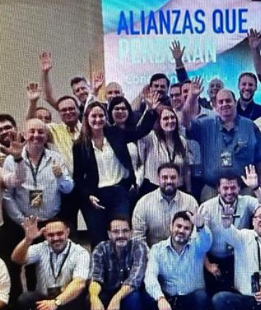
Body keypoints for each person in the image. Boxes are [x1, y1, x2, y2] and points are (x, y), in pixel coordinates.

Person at [73, 98, 156, 246]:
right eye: (94, 116)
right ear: (86, 118)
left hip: (119, 193)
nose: (98, 119)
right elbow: (78, 177)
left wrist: (150, 110)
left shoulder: (116, 134)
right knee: (99, 240)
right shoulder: (80, 145)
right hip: (95, 197)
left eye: (101, 115)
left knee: (121, 235)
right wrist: (88, 195)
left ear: (106, 117)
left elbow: (141, 131)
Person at [181, 79, 261, 198]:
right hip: (212, 190)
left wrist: (260, 187)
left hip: (244, 190)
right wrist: (192, 97)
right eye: (221, 102)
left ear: (235, 102)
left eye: (228, 101)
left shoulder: (249, 126)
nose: (224, 104)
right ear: (216, 106)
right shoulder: (205, 125)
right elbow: (185, 121)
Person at [11, 218, 90, 310]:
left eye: (59, 233)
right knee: (26, 299)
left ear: (67, 232)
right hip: (45, 302)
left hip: (67, 302)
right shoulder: (41, 247)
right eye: (51, 235)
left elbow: (79, 283)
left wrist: (56, 302)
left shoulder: (80, 252)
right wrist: (28, 240)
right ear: (45, 235)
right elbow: (17, 259)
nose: (55, 238)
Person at [197, 169, 261, 293]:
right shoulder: (207, 208)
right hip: (214, 259)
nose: (229, 192)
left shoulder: (247, 201)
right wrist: (208, 264)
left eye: (233, 188)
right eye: (225, 188)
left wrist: (256, 188)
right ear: (218, 188)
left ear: (239, 188)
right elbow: (199, 240)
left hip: (240, 257)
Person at [143, 211, 212, 310]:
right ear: (171, 226)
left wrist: (201, 227)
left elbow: (207, 242)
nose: (181, 231)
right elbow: (150, 276)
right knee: (149, 297)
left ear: (191, 232)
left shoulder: (198, 246)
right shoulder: (157, 249)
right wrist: (160, 298)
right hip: (168, 301)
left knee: (201, 297)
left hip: (191, 302)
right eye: (178, 226)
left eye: (186, 228)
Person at [3, 118, 74, 227]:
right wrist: (21, 220)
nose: (36, 135)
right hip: (23, 223)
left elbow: (68, 189)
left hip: (52, 221)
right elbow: (7, 195)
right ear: (24, 135)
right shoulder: (11, 160)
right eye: (32, 131)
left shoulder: (56, 158)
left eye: (41, 132)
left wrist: (60, 177)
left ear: (46, 137)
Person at [88, 217, 147, 310]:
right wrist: (94, 298)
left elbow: (134, 280)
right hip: (107, 291)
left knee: (134, 298)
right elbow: (95, 278)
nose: (121, 235)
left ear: (131, 233)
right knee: (92, 299)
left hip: (129, 293)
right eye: (116, 231)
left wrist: (117, 298)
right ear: (109, 234)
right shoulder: (100, 248)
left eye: (125, 231)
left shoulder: (138, 247)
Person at [131, 163, 198, 248]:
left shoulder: (190, 202)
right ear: (158, 179)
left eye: (173, 177)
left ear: (179, 179)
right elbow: (138, 238)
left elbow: (196, 234)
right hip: (152, 253)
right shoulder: (143, 203)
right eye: (165, 177)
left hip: (183, 252)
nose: (169, 181)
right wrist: (150, 254)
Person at [137, 105, 191, 194]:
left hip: (178, 189)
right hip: (153, 188)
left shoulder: (182, 141)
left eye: (172, 117)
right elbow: (139, 130)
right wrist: (148, 110)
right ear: (159, 122)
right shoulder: (150, 137)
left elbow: (186, 169)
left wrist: (189, 191)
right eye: (165, 118)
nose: (170, 121)